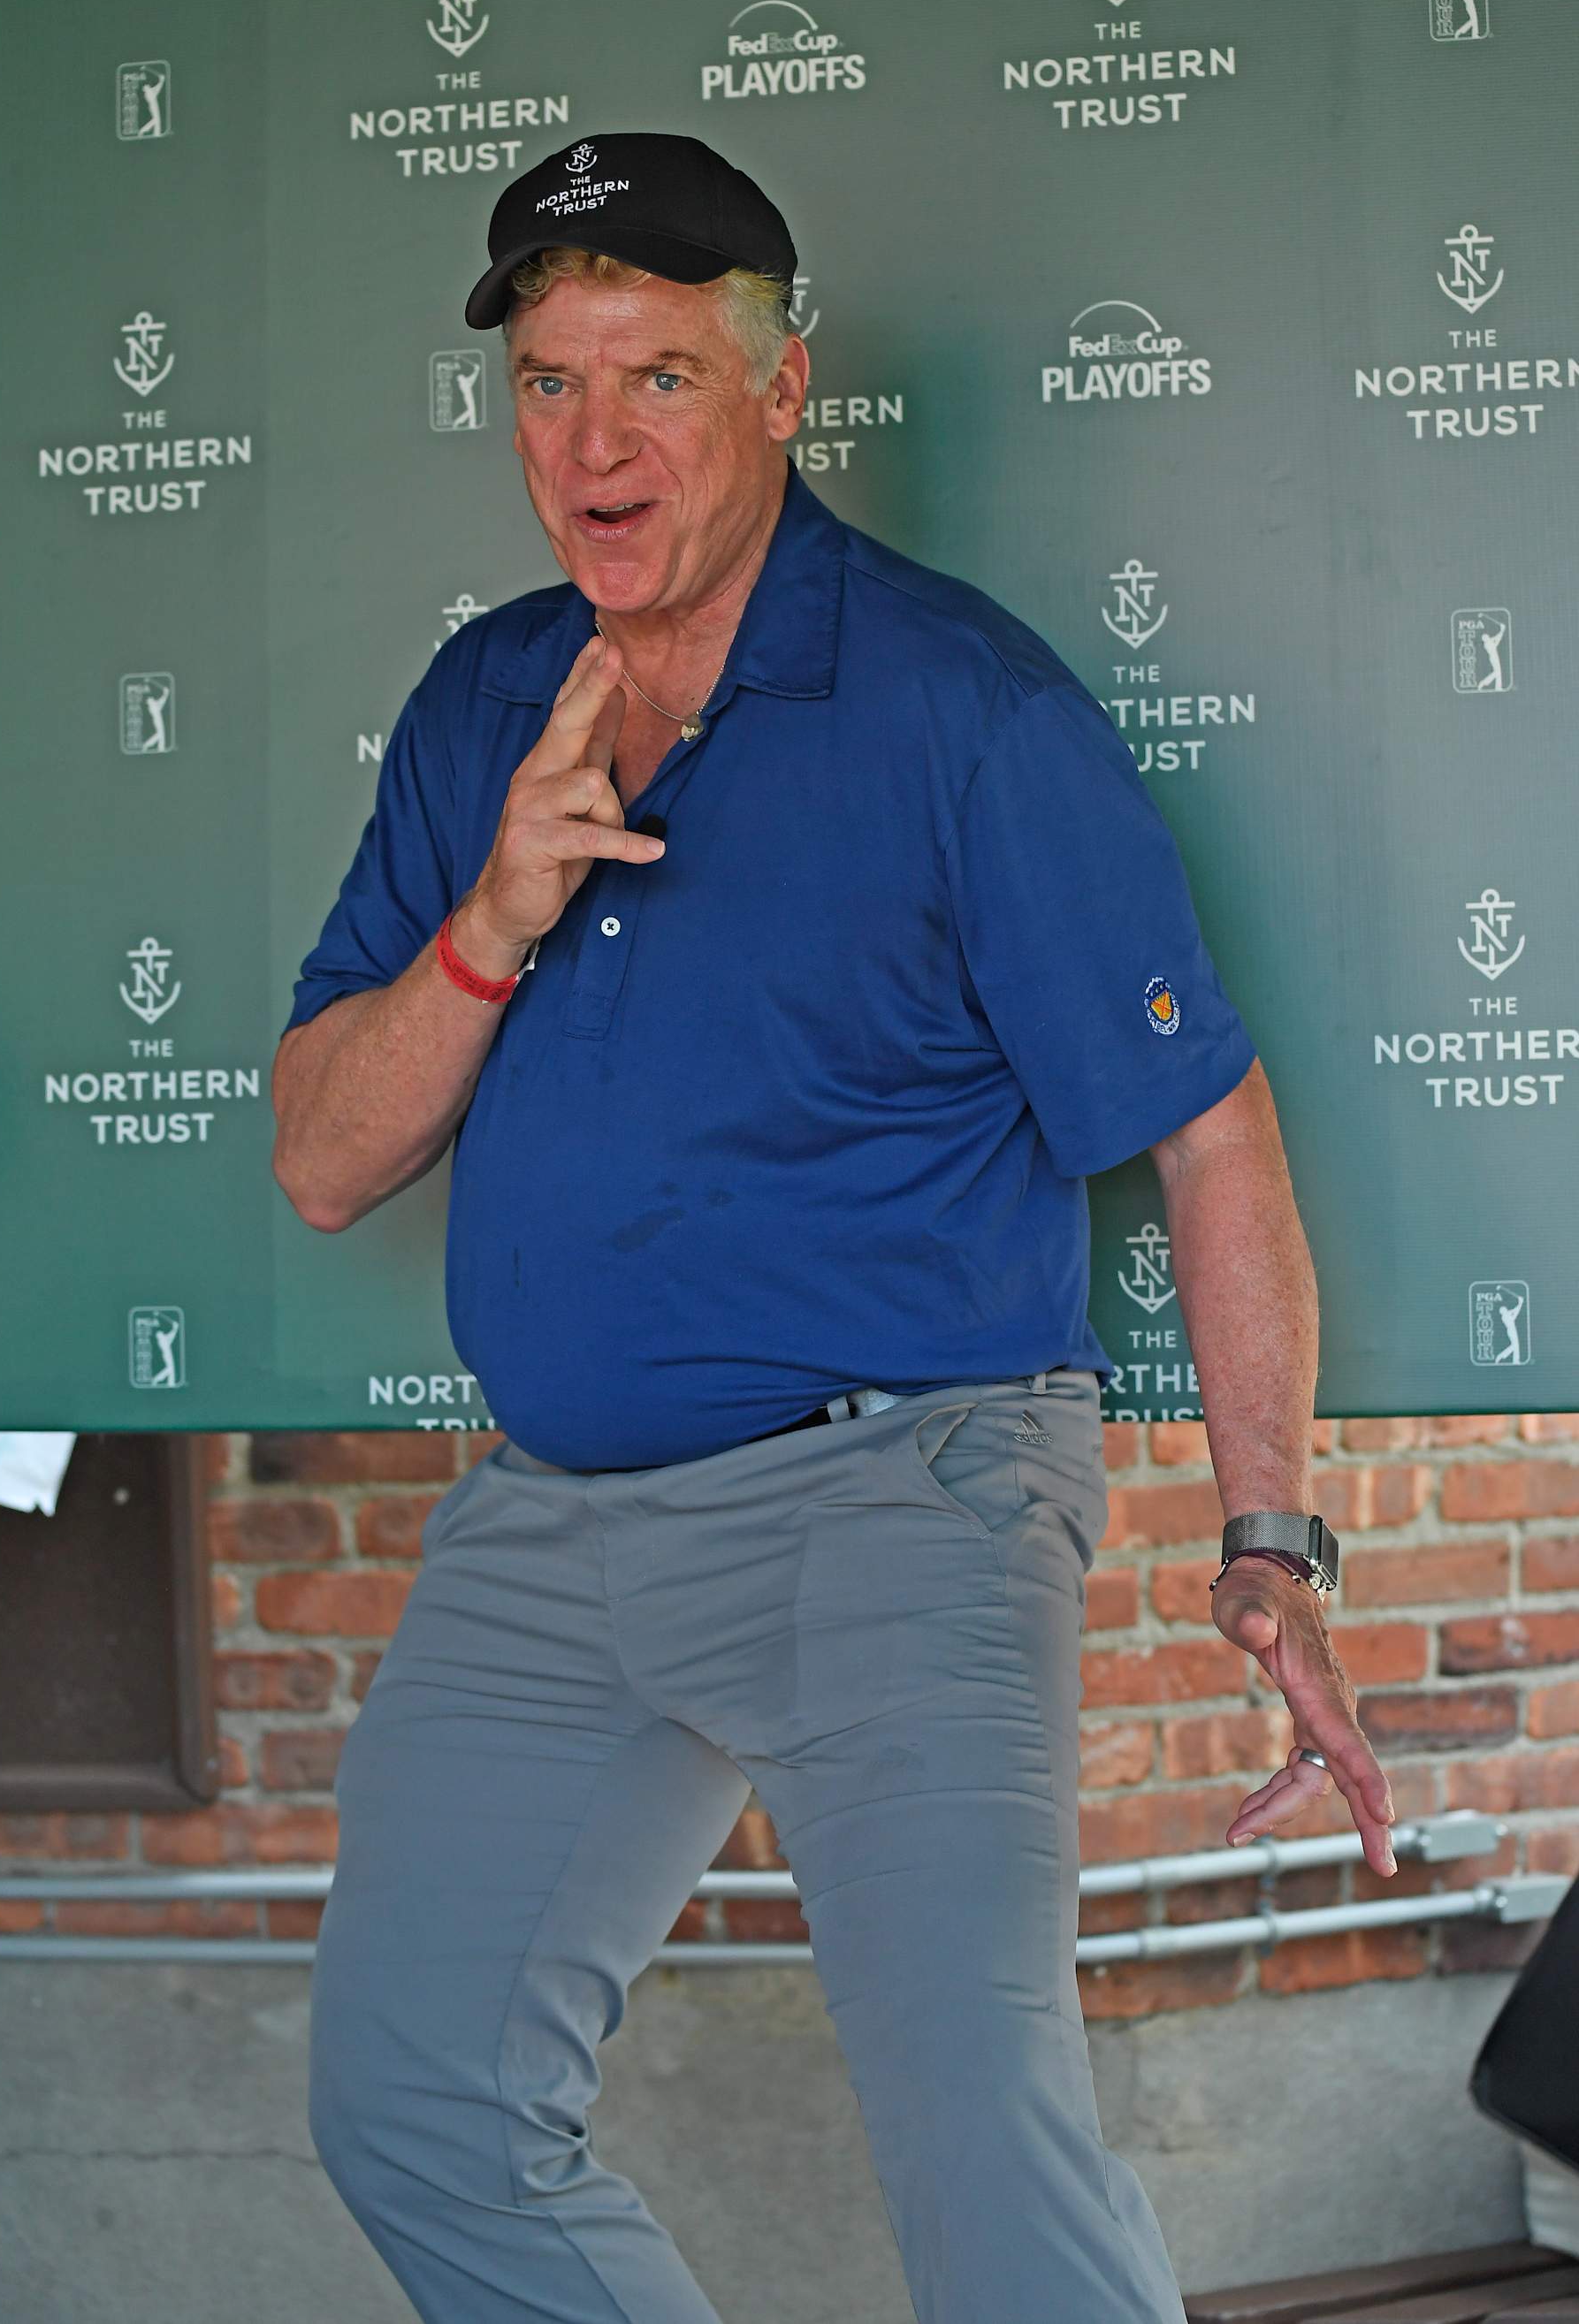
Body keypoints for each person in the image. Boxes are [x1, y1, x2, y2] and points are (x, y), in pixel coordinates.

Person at [271, 130, 1396, 2324]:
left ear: (783, 389)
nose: (592, 445)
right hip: (555, 1524)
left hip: (901, 1491)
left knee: (984, 2147)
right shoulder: (486, 706)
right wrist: (495, 914)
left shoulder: (967, 711)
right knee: (412, 2097)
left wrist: (1273, 1541)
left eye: (659, 377)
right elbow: (322, 1158)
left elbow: (1210, 1134)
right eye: (548, 384)